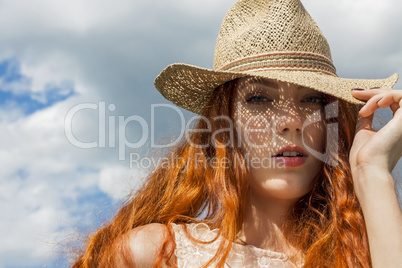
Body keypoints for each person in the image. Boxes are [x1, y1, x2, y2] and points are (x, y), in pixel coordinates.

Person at [72, 0, 402, 267]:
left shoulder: (369, 254)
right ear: (223, 126)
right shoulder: (157, 254)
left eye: (312, 99)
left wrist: (371, 171)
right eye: (260, 98)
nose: (291, 121)